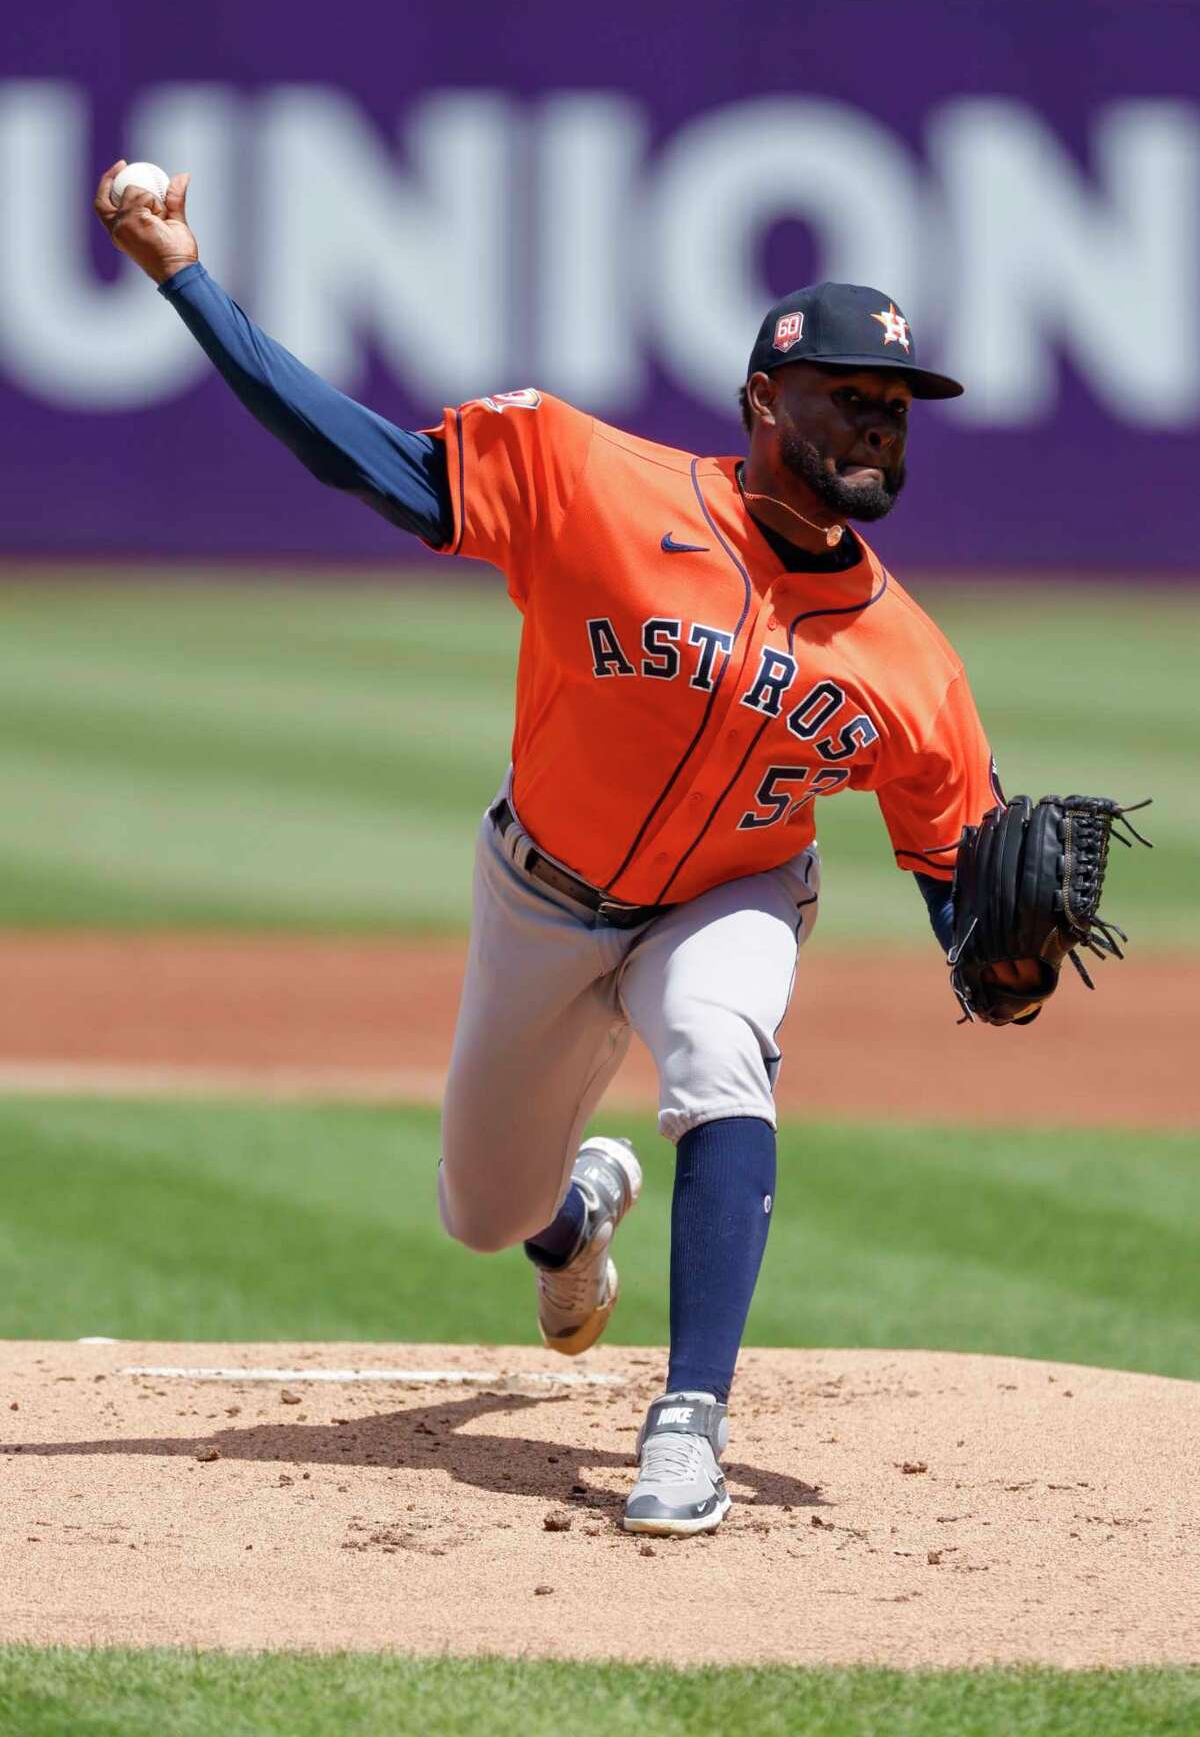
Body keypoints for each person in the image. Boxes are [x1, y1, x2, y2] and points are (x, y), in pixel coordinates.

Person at [95, 162, 1037, 1538]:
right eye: (851, 398)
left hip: (734, 894)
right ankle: (573, 1218)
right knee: (484, 1211)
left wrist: (1005, 970)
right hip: (540, 892)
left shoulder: (914, 665)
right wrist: (185, 277)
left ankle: (689, 1421)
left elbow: (968, 905)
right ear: (764, 400)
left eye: (895, 412)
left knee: (721, 1050)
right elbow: (361, 458)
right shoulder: (589, 480)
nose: (879, 431)